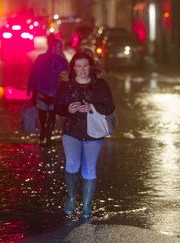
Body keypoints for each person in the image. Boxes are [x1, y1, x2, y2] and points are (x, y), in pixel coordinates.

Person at [54, 51, 115, 219]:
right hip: (71, 131)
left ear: (91, 67)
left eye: (85, 66)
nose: (82, 70)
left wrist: (92, 107)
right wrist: (68, 109)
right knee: (72, 164)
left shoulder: (100, 85)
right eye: (79, 66)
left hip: (93, 133)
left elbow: (109, 107)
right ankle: (72, 199)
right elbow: (57, 106)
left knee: (89, 168)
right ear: (73, 67)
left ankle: (87, 206)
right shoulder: (66, 86)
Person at [27, 38, 69, 145]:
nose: (57, 49)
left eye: (59, 47)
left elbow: (68, 77)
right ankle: (44, 131)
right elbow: (34, 74)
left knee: (50, 115)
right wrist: (31, 90)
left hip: (53, 94)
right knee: (44, 115)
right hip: (43, 92)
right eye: (55, 47)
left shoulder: (62, 61)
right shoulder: (43, 58)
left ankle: (47, 134)